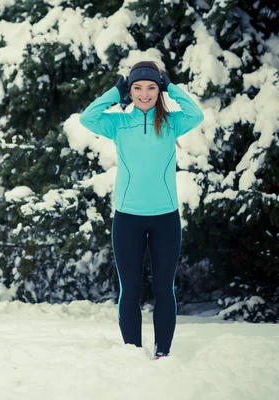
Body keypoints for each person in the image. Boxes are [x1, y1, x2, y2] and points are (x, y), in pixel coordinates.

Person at [79, 61, 204, 360]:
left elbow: (196, 114)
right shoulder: (119, 124)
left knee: (164, 288)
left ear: (158, 91)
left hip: (165, 218)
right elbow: (87, 118)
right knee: (130, 290)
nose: (144, 94)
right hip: (127, 219)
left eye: (151, 87)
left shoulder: (173, 122)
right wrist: (114, 92)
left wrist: (171, 86)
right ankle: (132, 352)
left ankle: (163, 352)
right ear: (130, 90)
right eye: (137, 87)